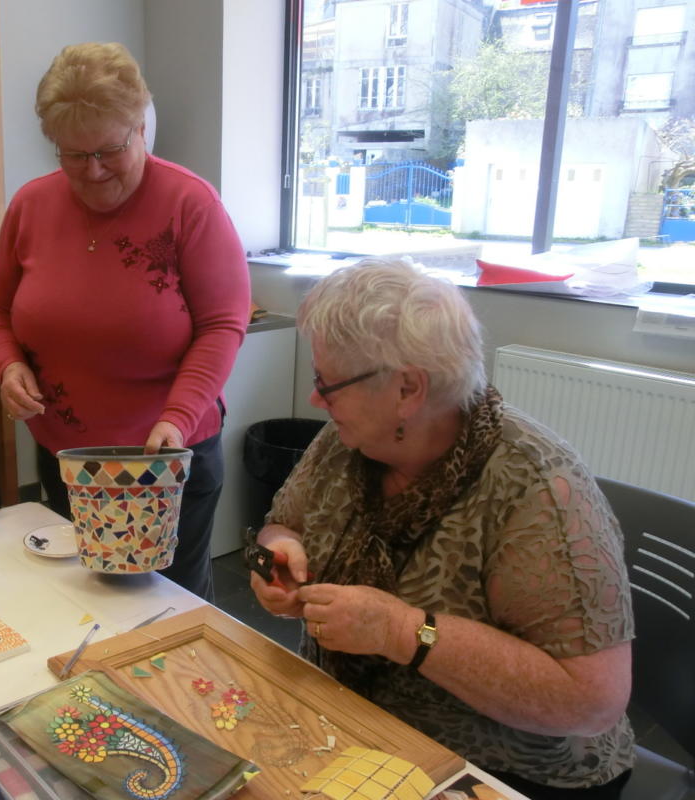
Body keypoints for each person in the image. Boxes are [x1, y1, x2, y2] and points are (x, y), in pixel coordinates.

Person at [250, 258, 634, 798]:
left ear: (408, 389)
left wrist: (403, 631)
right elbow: (282, 525)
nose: (316, 399)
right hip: (359, 723)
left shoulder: (535, 489)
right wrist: (281, 554)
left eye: (327, 383)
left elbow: (590, 703)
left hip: (503, 772)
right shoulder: (348, 439)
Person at [0, 42, 250, 600]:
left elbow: (223, 324)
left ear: (140, 128)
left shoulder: (190, 204)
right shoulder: (30, 206)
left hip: (165, 458)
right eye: (74, 155)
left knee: (170, 607)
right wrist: (8, 366)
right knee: (81, 601)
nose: (94, 170)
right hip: (69, 459)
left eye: (109, 150)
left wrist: (178, 416)